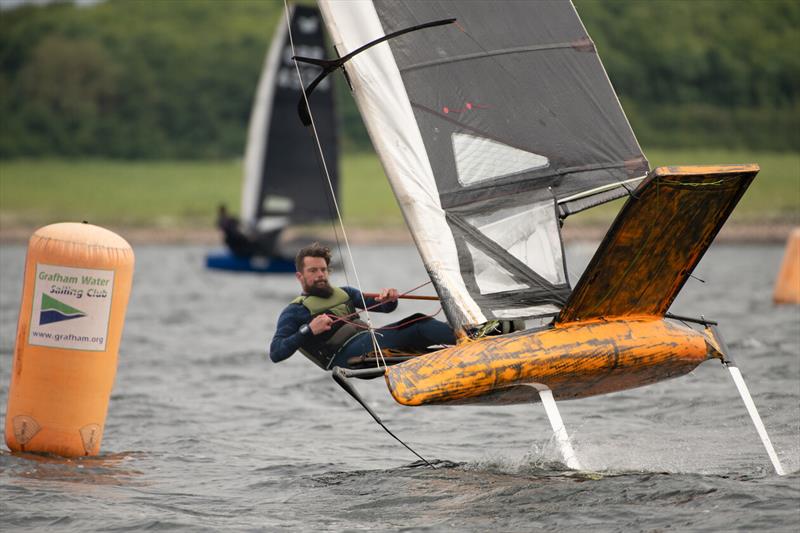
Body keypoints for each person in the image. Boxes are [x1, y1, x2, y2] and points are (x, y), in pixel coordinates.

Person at [269, 242, 456, 370]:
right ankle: (470, 338)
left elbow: (384, 308)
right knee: (418, 324)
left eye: (323, 269)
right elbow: (276, 353)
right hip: (344, 358)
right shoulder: (294, 311)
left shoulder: (345, 293)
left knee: (417, 327)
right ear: (300, 277)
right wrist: (309, 330)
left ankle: (466, 342)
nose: (320, 274)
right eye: (313, 270)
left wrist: (389, 299)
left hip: (368, 341)